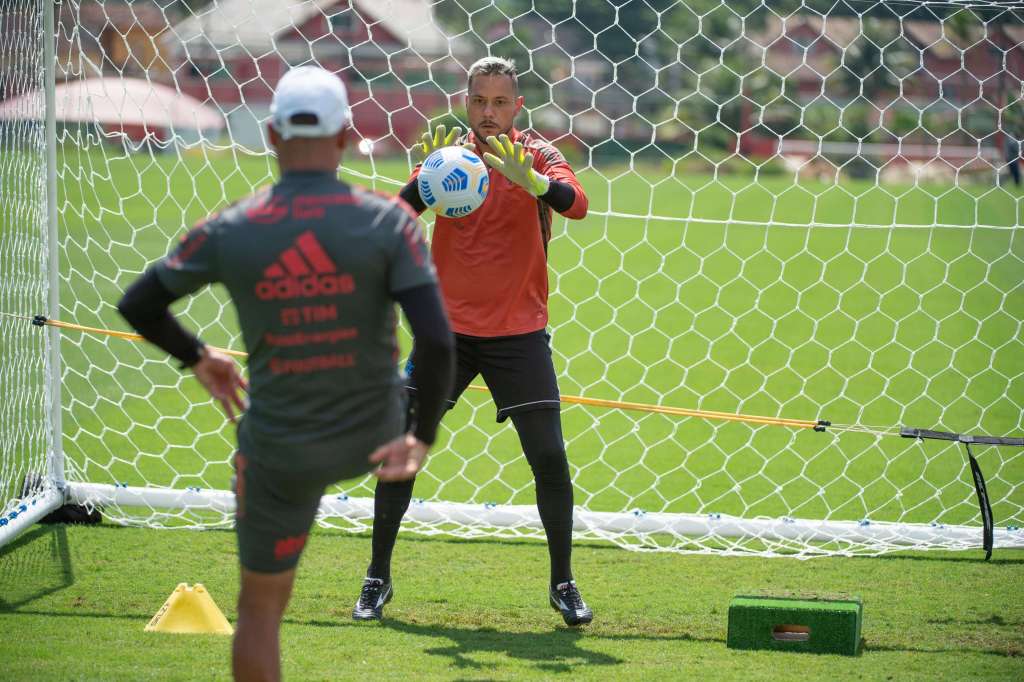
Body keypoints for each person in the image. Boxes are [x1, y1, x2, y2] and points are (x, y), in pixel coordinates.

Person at [117, 66, 455, 682]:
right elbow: (436, 337)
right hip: (372, 438)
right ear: (348, 138)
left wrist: (199, 357)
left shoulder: (233, 226)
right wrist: (420, 435)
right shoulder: (390, 222)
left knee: (259, 614)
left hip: (279, 450)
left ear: (271, 136)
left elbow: (138, 303)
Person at [352, 56, 593, 626]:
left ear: (518, 106)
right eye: (479, 101)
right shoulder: (448, 158)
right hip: (447, 334)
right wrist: (424, 180)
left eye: (500, 102)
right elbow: (394, 216)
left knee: (550, 460)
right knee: (400, 453)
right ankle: (375, 578)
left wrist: (531, 183)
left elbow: (576, 203)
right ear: (466, 101)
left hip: (519, 333)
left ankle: (563, 583)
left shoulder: (537, 154)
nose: (489, 112)